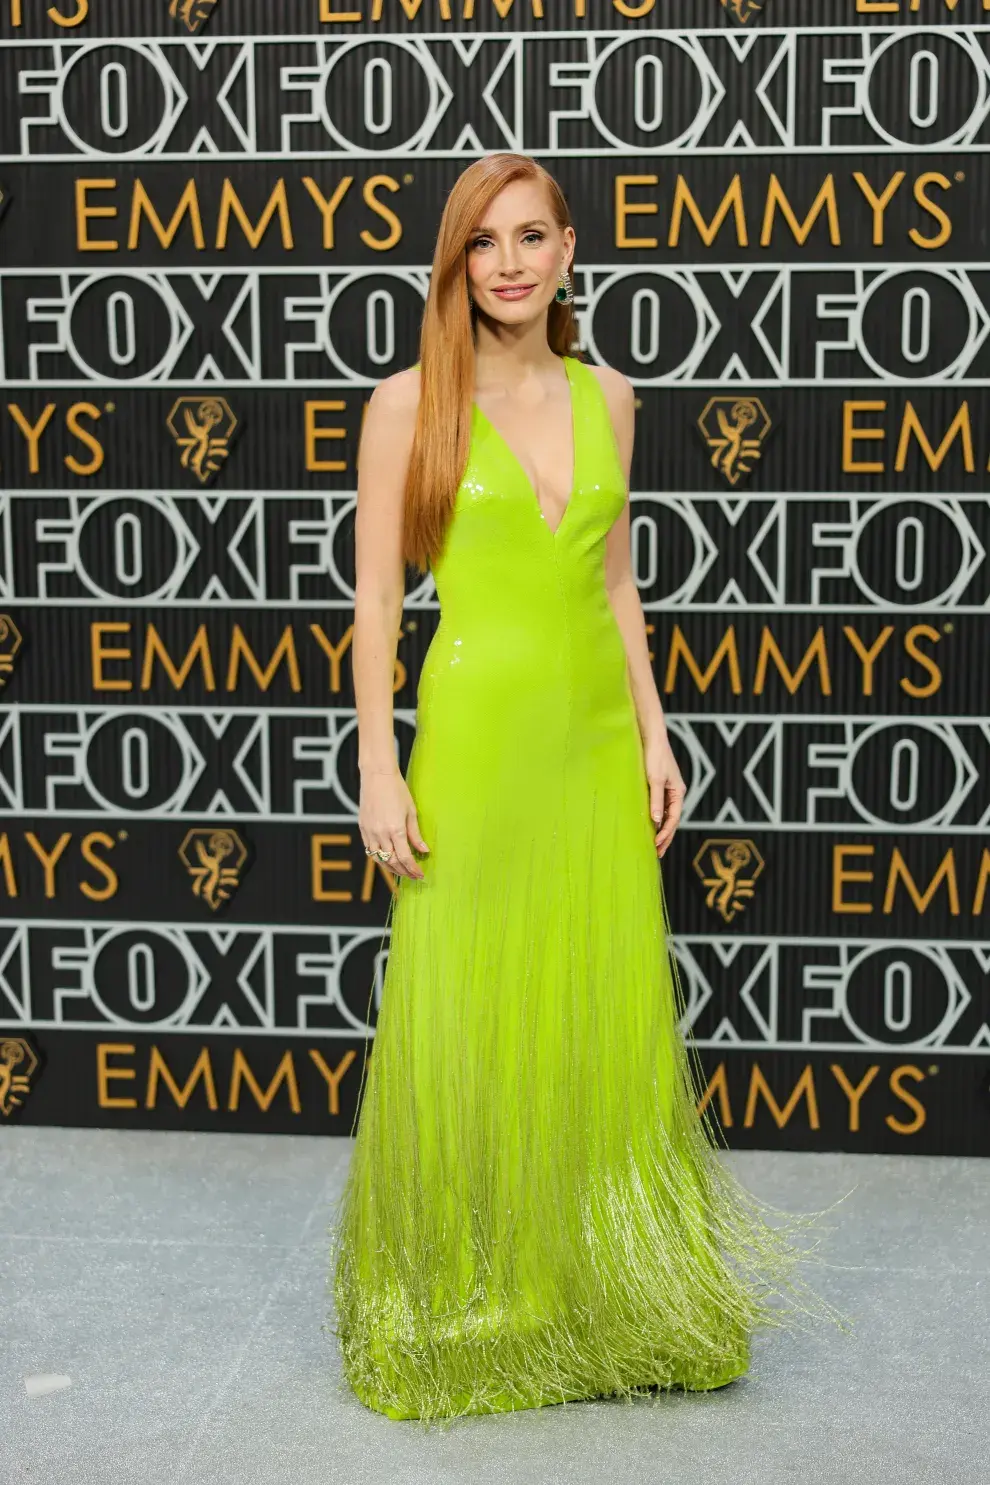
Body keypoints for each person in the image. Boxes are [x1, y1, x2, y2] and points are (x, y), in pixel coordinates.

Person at [328, 151, 847, 1424]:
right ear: (456, 264)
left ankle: (601, 1286)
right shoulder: (408, 403)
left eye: (530, 236)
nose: (508, 262)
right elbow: (378, 601)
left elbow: (617, 584)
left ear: (568, 251)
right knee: (471, 1005)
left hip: (593, 740)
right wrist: (379, 762)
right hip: (479, 736)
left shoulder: (610, 393)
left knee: (595, 996)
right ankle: (459, 1287)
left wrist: (658, 738)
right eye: (482, 242)